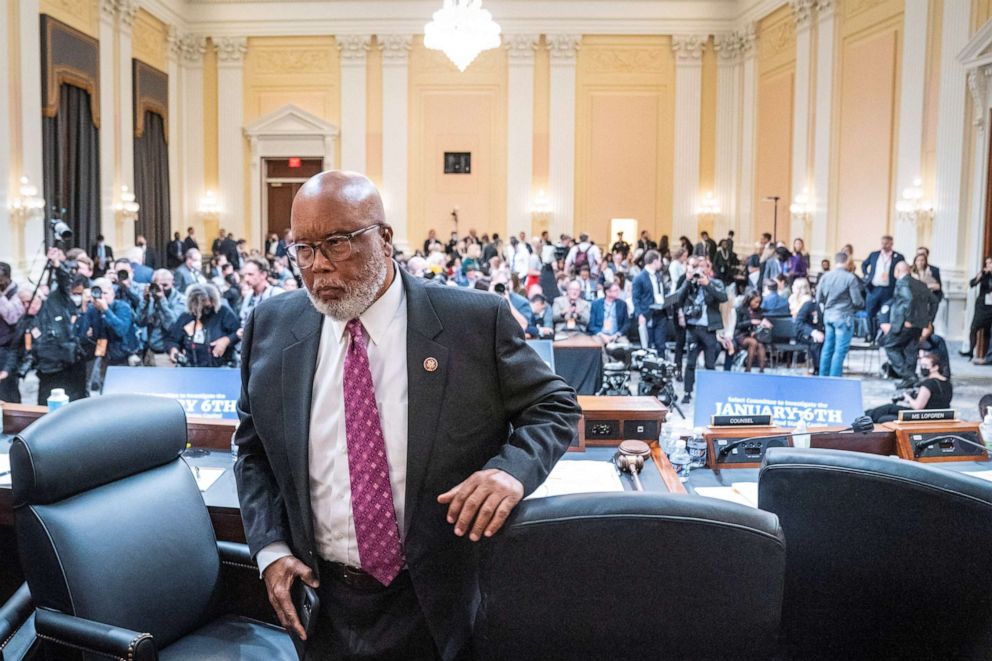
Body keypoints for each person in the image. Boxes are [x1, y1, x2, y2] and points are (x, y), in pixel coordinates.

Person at [234, 171, 579, 659]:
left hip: (439, 599)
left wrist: (510, 471)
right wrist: (270, 549)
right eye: (303, 249)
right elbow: (252, 453)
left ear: (385, 239)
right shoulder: (271, 326)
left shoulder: (472, 321)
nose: (318, 267)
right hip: (321, 602)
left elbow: (554, 405)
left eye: (336, 243)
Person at [675, 256, 728, 403]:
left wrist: (707, 284)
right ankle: (687, 393)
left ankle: (711, 393)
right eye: (698, 266)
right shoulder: (691, 283)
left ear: (709, 269)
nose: (701, 269)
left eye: (704, 266)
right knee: (690, 363)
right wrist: (687, 280)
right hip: (693, 329)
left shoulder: (716, 282)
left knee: (710, 364)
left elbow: (723, 297)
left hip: (709, 329)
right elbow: (678, 298)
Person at [879, 261, 932, 389]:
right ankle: (909, 380)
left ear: (897, 271)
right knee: (911, 350)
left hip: (905, 323)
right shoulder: (920, 284)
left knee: (890, 346)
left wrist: (908, 319)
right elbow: (933, 301)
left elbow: (908, 299)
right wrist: (926, 319)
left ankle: (908, 376)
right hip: (918, 324)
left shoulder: (902, 282)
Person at [165, 283, 240, 367]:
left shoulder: (223, 313)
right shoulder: (186, 317)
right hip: (193, 368)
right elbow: (173, 340)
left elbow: (238, 332)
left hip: (221, 367)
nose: (203, 311)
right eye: (200, 307)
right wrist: (173, 350)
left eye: (207, 307)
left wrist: (226, 340)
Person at [866, 352, 952, 423]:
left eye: (925, 366)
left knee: (889, 408)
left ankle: (864, 416)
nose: (922, 368)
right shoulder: (947, 383)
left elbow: (918, 407)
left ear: (935, 367)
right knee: (885, 416)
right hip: (938, 417)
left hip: (923, 418)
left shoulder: (928, 384)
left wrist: (908, 398)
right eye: (921, 366)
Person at [816, 251, 864, 377]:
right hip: (843, 316)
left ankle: (823, 376)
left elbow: (818, 297)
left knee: (827, 348)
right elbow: (857, 301)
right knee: (839, 350)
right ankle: (834, 378)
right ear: (847, 261)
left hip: (828, 315)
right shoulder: (850, 278)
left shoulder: (825, 276)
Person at [138, 269, 187, 367]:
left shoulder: (180, 300)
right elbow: (140, 322)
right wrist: (145, 301)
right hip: (150, 352)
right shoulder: (151, 298)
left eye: (165, 285)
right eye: (158, 285)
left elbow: (172, 327)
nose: (162, 289)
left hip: (167, 354)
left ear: (172, 282)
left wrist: (162, 301)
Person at [861, 235, 905, 342]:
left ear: (891, 243)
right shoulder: (874, 255)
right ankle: (871, 335)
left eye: (886, 243)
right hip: (874, 288)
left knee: (886, 313)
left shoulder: (898, 257)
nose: (884, 245)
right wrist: (867, 275)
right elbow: (864, 265)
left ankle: (884, 336)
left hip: (888, 290)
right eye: (883, 243)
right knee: (870, 312)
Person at [632, 250, 673, 357]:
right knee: (647, 345)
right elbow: (635, 299)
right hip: (647, 313)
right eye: (659, 260)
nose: (661, 263)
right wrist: (639, 314)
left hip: (661, 312)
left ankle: (661, 369)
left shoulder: (658, 275)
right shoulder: (639, 278)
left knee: (661, 345)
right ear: (654, 261)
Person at [0, 263, 26, 402]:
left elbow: (12, 317)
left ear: (7, 278)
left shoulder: (17, 293)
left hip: (8, 350)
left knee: (7, 391)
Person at [239, 256, 284, 327]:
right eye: (245, 275)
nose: (246, 279)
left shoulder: (277, 294)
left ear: (263, 274)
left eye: (250, 274)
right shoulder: (248, 297)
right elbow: (244, 321)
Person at [961, 256, 992, 360]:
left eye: (990, 263)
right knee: (974, 327)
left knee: (988, 330)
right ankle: (970, 351)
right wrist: (980, 275)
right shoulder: (984, 275)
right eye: (986, 263)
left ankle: (987, 355)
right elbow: (972, 284)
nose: (988, 265)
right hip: (982, 305)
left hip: (991, 307)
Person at [734, 291, 771, 372]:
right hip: (740, 334)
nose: (757, 304)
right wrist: (751, 322)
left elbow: (762, 320)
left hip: (753, 334)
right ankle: (748, 368)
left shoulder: (759, 311)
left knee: (760, 345)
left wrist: (765, 323)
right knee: (753, 342)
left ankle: (761, 369)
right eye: (755, 302)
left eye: (759, 302)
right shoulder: (740, 309)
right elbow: (737, 325)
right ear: (749, 300)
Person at [794, 298, 825, 375]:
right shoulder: (809, 305)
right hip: (807, 333)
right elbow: (798, 323)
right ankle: (817, 369)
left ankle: (825, 368)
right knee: (816, 341)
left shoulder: (831, 306)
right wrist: (813, 332)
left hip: (823, 333)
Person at [910, 250, 942, 323]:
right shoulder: (911, 272)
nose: (920, 262)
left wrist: (926, 286)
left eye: (922, 260)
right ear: (915, 261)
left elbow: (937, 286)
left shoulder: (929, 273)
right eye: (918, 260)